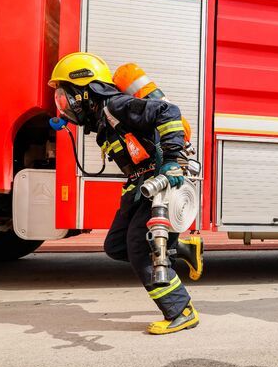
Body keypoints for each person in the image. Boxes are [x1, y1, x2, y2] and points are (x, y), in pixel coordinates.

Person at [49, 52, 199, 335]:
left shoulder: (116, 105)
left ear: (84, 91)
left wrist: (172, 159)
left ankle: (181, 310)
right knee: (116, 246)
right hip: (138, 184)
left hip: (159, 178)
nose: (64, 105)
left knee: (141, 249)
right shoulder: (103, 120)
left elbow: (169, 112)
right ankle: (184, 249)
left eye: (65, 96)